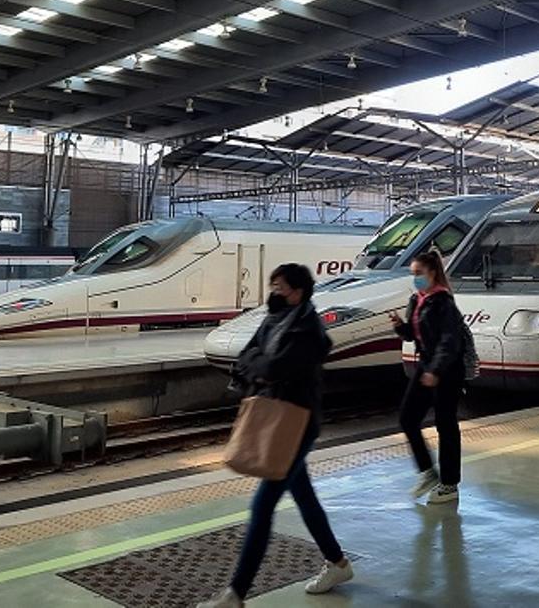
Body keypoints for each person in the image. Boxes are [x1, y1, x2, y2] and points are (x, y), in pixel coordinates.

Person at [199, 265, 353, 608]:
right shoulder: (276, 319)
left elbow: (272, 368)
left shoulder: (310, 330)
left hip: (296, 425)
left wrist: (261, 364)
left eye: (280, 286)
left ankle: (236, 593)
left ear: (298, 291)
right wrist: (261, 364)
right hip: (275, 417)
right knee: (304, 496)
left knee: (262, 506)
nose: (274, 290)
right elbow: (247, 357)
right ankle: (338, 564)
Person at [391, 250, 465, 504]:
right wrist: (400, 327)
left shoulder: (444, 302)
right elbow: (413, 334)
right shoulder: (418, 299)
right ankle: (428, 472)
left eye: (419, 274)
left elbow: (449, 341)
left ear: (432, 273)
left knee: (446, 424)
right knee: (407, 418)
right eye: (413, 274)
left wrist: (436, 370)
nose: (416, 279)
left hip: (446, 371)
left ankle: (449, 483)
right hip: (426, 366)